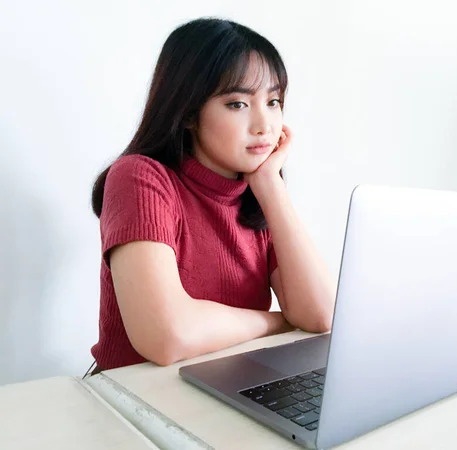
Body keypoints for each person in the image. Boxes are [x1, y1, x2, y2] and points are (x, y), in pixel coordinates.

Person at [87, 17, 336, 373]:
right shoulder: (140, 178)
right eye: (238, 104)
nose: (264, 125)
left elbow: (321, 314)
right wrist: (276, 322)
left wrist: (270, 185)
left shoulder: (259, 197)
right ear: (189, 113)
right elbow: (167, 335)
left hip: (228, 388)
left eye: (274, 101)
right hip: (136, 401)